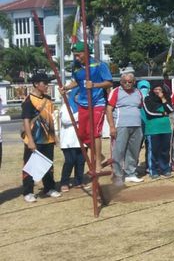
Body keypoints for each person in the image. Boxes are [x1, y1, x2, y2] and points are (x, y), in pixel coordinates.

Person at [61, 42, 113, 168]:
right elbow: (77, 82)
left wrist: (94, 85)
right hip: (83, 103)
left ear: (86, 52)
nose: (77, 58)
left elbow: (109, 82)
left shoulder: (99, 65)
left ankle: (97, 163)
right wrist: (67, 88)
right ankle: (100, 156)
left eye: (79, 55)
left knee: (95, 133)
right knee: (83, 135)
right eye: (75, 56)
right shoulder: (76, 66)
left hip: (97, 103)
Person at [21, 73, 61, 202]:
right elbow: (26, 121)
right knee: (31, 165)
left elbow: (50, 118)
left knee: (48, 165)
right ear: (36, 84)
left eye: (47, 83)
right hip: (34, 139)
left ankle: (49, 188)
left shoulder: (48, 99)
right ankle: (28, 192)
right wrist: (30, 140)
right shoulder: (29, 101)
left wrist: (55, 137)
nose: (47, 85)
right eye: (44, 83)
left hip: (47, 139)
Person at [106, 72, 145, 185]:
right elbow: (108, 110)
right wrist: (112, 127)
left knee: (133, 150)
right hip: (121, 125)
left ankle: (130, 173)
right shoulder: (116, 92)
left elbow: (139, 107)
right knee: (118, 151)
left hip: (136, 125)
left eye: (130, 82)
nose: (127, 84)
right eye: (124, 82)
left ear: (134, 82)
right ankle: (117, 176)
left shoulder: (138, 92)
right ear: (121, 82)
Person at [143, 83, 174, 179]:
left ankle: (165, 169)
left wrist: (163, 99)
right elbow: (149, 112)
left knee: (165, 150)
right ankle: (153, 170)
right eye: (155, 89)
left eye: (159, 89)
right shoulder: (147, 99)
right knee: (153, 151)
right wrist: (162, 114)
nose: (158, 91)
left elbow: (170, 109)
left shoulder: (166, 98)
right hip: (153, 129)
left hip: (165, 129)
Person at [58, 91, 84, 191]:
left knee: (81, 161)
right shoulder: (66, 106)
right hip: (68, 140)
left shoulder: (84, 105)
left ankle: (79, 181)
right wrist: (81, 115)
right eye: (76, 94)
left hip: (81, 140)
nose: (78, 96)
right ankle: (64, 182)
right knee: (70, 161)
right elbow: (66, 120)